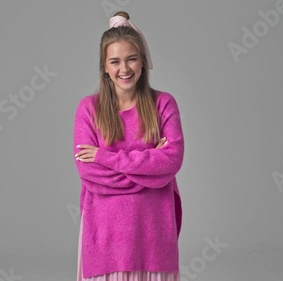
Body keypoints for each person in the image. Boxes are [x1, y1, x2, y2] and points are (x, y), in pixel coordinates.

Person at [73, 10, 185, 281]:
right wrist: (151, 170)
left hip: (153, 236)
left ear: (143, 62)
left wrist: (105, 157)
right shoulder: (89, 109)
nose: (124, 69)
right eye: (115, 61)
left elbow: (172, 160)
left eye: (131, 59)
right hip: (105, 239)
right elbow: (89, 173)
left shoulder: (163, 104)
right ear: (105, 67)